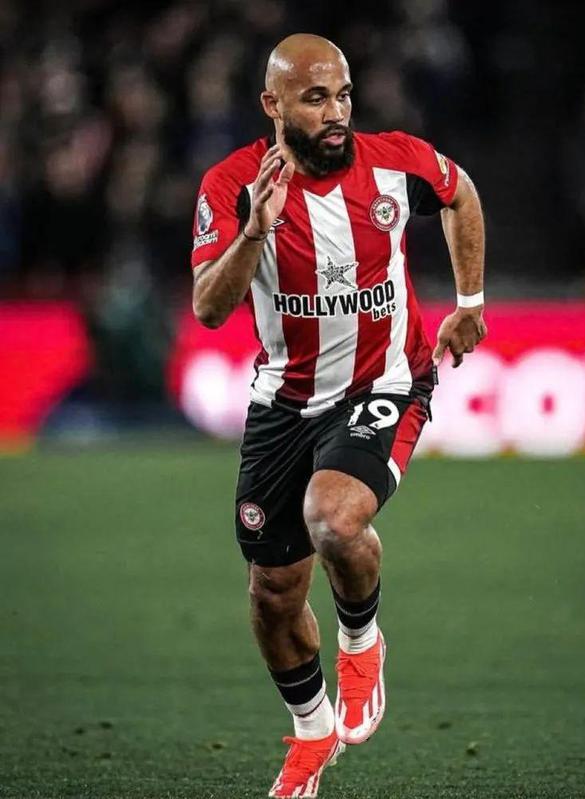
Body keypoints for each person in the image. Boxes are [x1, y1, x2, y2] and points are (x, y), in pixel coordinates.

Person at [191, 33, 486, 799]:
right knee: (273, 591)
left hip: (385, 380)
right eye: (316, 98)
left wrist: (470, 301)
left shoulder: (393, 162)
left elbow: (460, 192)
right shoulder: (230, 185)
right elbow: (209, 308)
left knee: (334, 517)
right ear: (274, 104)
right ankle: (313, 730)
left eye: (344, 95)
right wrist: (255, 231)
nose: (336, 113)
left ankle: (361, 639)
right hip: (284, 403)